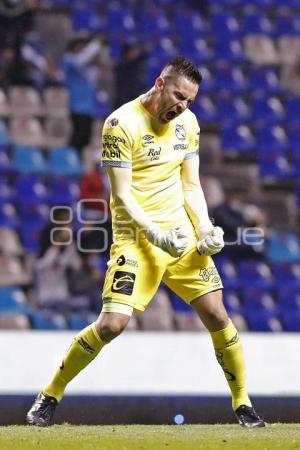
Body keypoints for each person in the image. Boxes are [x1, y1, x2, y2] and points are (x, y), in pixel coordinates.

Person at [26, 57, 265, 428]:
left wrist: (204, 228)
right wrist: (155, 235)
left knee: (217, 314)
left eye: (190, 100)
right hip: (137, 238)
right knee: (111, 325)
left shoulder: (188, 123)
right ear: (159, 84)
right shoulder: (120, 124)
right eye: (178, 95)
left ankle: (243, 404)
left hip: (180, 235)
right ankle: (49, 395)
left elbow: (190, 184)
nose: (182, 106)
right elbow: (121, 197)